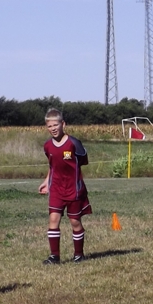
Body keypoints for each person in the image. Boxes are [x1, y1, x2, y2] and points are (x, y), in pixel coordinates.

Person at [38, 108, 91, 264]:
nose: (53, 128)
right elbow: (52, 165)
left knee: (75, 222)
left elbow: (83, 161)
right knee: (53, 219)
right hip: (56, 188)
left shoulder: (74, 143)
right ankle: (54, 256)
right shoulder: (47, 146)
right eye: (50, 126)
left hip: (73, 189)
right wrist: (46, 181)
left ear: (63, 124)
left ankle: (79, 254)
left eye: (56, 125)